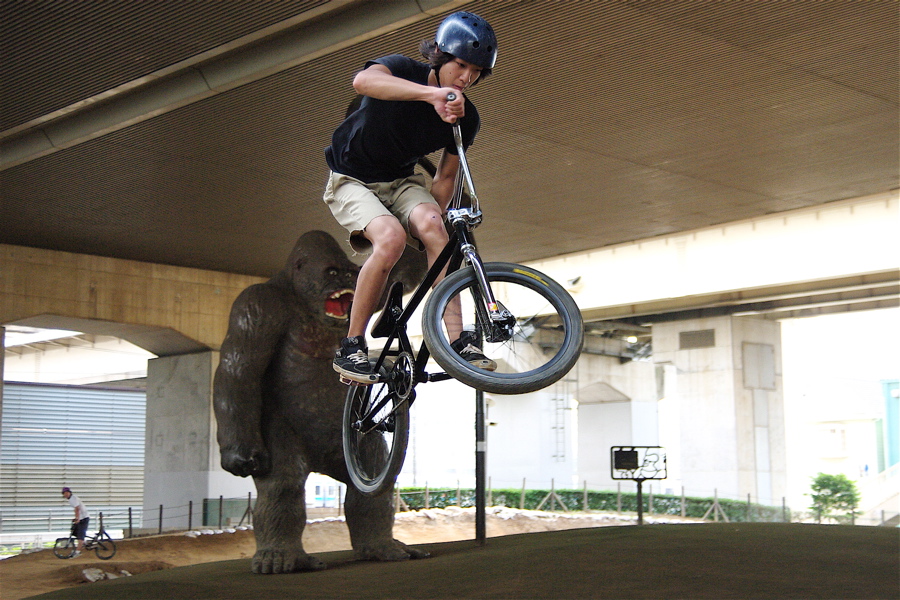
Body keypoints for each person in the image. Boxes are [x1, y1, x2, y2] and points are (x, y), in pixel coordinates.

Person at [325, 11, 499, 384]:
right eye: (461, 65)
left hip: (401, 181)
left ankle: (459, 341)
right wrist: (431, 95)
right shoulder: (403, 69)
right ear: (440, 55)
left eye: (476, 72)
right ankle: (351, 346)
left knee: (438, 227)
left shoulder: (465, 118)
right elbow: (363, 81)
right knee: (390, 238)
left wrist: (433, 232)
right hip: (352, 178)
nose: (466, 78)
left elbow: (446, 177)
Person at [61, 487, 90, 554]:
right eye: (64, 493)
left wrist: (77, 518)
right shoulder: (71, 499)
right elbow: (76, 509)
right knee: (75, 532)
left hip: (84, 518)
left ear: (69, 492)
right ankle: (84, 543)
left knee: (80, 536)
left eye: (66, 493)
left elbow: (77, 509)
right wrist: (76, 518)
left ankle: (77, 551)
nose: (65, 495)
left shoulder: (73, 499)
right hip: (82, 518)